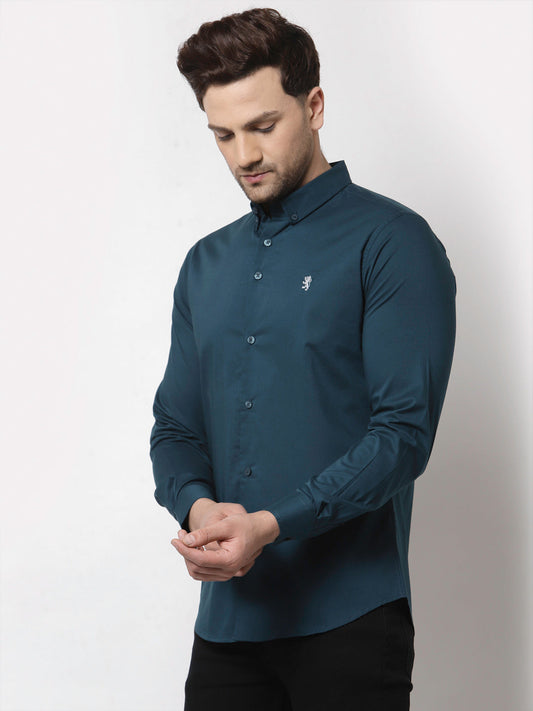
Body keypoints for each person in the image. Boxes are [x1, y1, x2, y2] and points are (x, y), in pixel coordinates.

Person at [149, 7, 456, 710]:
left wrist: (269, 524)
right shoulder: (204, 264)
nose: (243, 156)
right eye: (223, 134)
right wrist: (197, 507)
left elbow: (402, 434)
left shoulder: (392, 243)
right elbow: (175, 427)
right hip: (227, 627)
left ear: (313, 107)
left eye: (263, 126)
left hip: (350, 621)